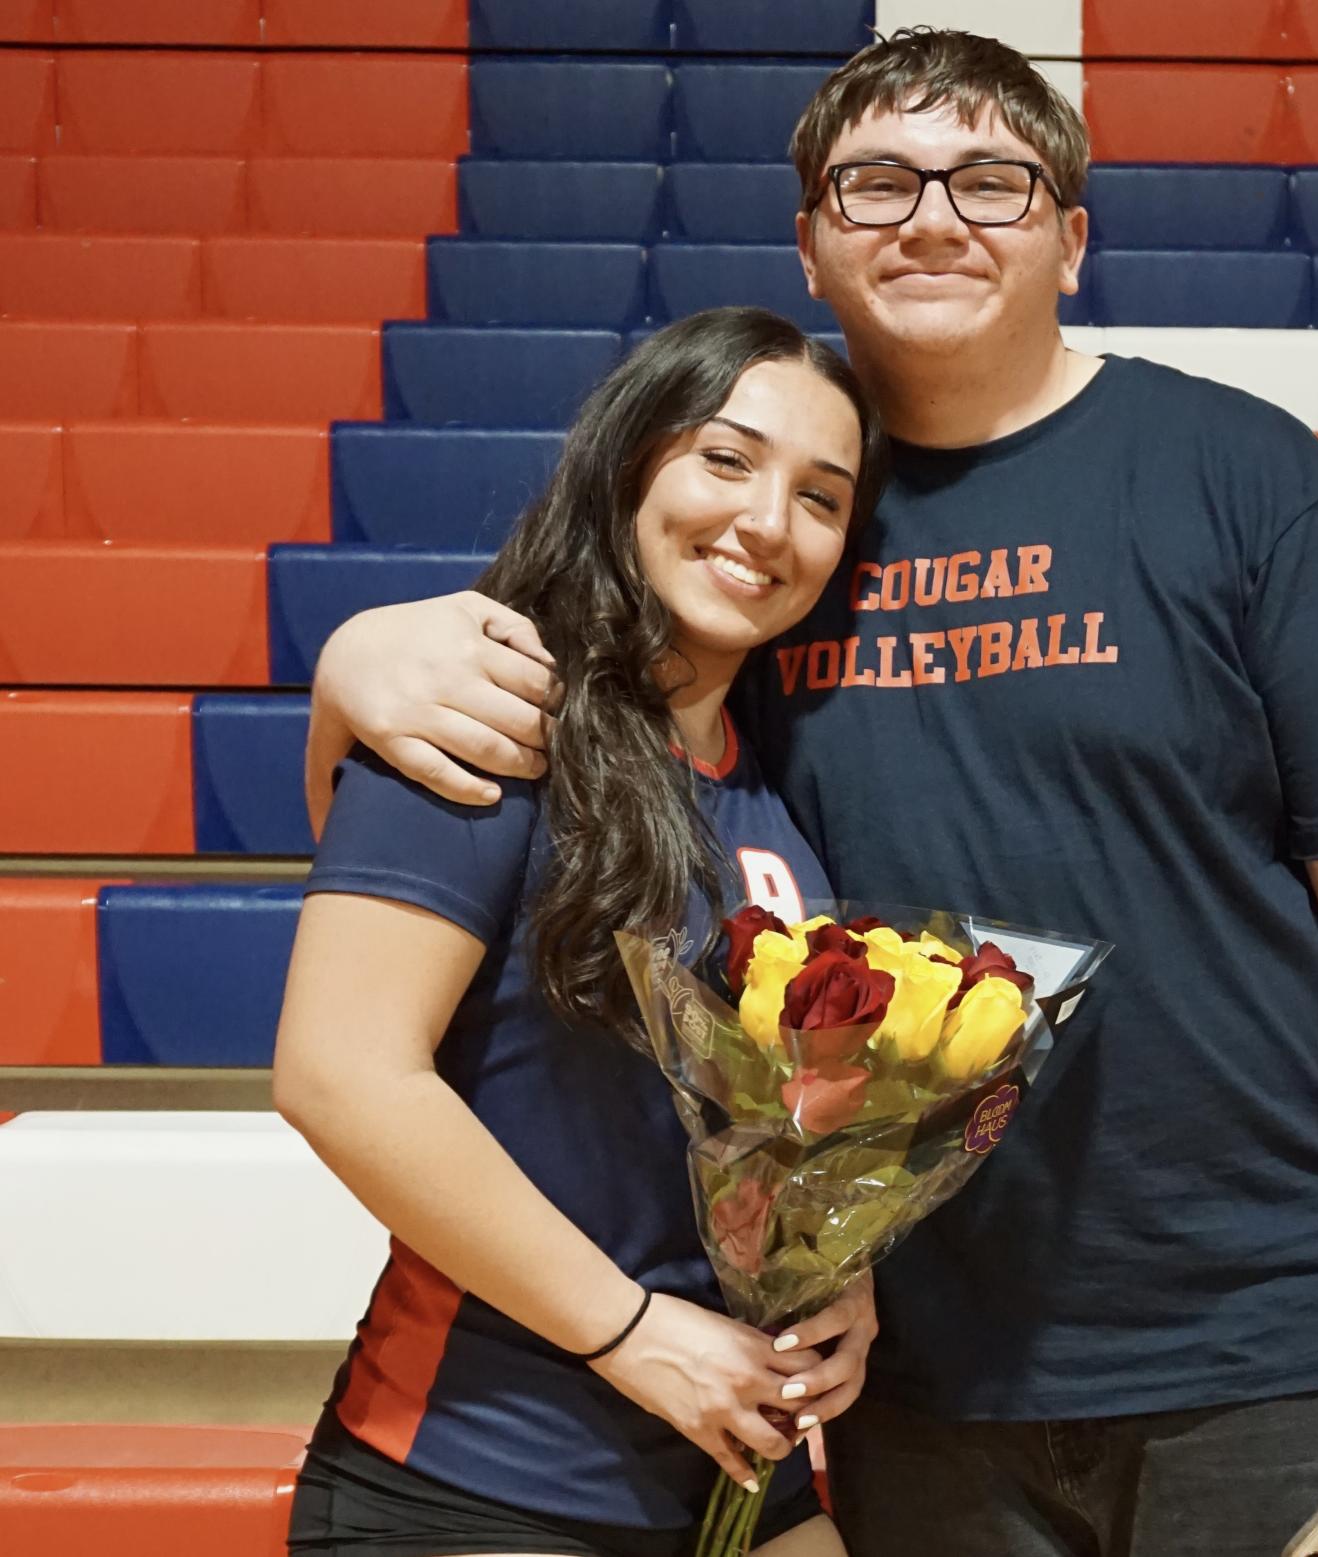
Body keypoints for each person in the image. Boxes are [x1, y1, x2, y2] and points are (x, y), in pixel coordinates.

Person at [302, 30, 1318, 1557]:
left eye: (993, 182)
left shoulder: (1246, 479)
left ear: (1071, 238)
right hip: (903, 1381)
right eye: (876, 181)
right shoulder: (781, 539)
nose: (931, 217)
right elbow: (537, 784)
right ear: (811, 241)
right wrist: (354, 665)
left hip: (1257, 1348)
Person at [274, 307, 890, 1557]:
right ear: (629, 458)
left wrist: (841, 1276)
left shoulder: (774, 791)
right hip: (478, 1483)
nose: (769, 523)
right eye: (725, 459)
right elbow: (340, 1076)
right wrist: (630, 1330)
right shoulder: (478, 709)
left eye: (821, 499)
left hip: (729, 1463)